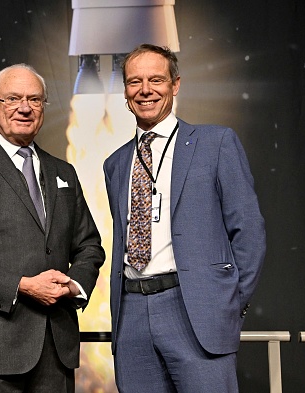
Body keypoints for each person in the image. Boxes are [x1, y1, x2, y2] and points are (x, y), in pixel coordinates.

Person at [103, 44, 266, 392]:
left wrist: (226, 303)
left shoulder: (216, 142)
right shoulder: (115, 164)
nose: (145, 90)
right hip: (131, 314)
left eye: (156, 80)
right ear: (126, 92)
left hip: (195, 312)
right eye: (135, 82)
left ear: (175, 84)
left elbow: (249, 232)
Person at [0, 63, 105, 393]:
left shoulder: (64, 171)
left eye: (35, 99)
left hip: (55, 352)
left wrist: (73, 287)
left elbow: (89, 246)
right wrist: (22, 286)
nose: (25, 107)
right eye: (13, 98)